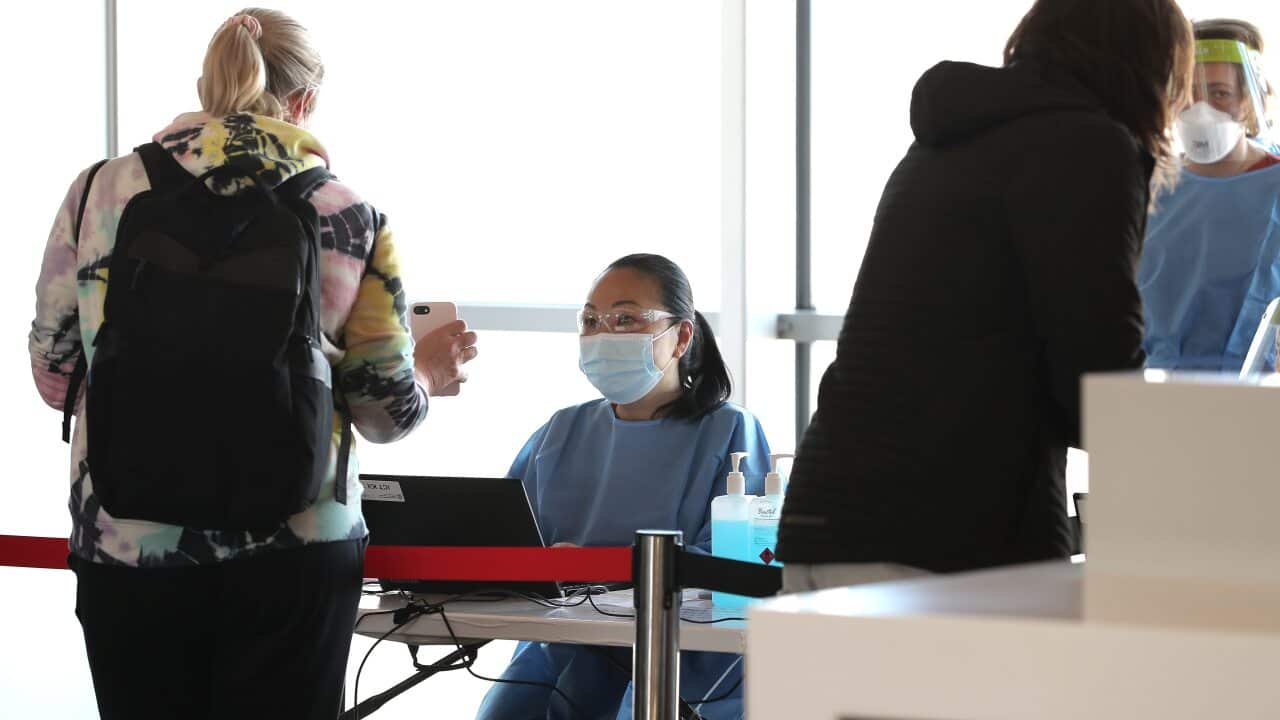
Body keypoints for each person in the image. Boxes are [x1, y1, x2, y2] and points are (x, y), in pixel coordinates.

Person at [28, 9, 475, 719]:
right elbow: (383, 412)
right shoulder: (350, 214)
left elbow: (57, 377)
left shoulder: (98, 193)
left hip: (128, 543)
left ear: (208, 84)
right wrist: (427, 374)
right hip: (294, 549)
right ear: (306, 102)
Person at [776, 0, 1195, 588]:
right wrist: (1201, 461)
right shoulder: (1085, 146)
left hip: (829, 515)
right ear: (1149, 63)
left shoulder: (949, 140)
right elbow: (1094, 368)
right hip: (948, 534)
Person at [475, 254, 770, 720]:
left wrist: (605, 570)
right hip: (565, 645)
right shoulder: (561, 431)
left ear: (682, 336)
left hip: (682, 656)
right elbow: (498, 533)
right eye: (591, 320)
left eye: (626, 318)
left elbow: (735, 566)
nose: (603, 333)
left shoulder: (729, 432)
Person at [1140, 18, 1280, 372]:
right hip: (1154, 388)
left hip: (1254, 392)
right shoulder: (1149, 184)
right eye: (1189, 94)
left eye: (1219, 93)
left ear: (1248, 100)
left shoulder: (1273, 184)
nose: (1201, 111)